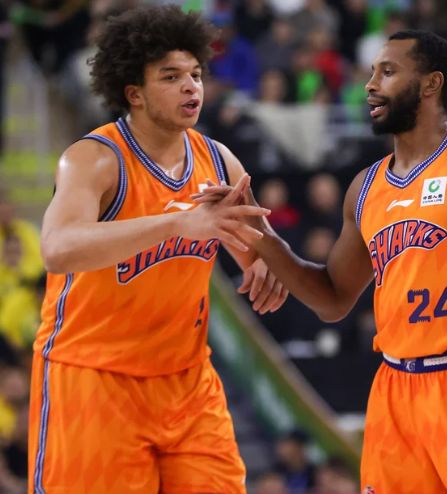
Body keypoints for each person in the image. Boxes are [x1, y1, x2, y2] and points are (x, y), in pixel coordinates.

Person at [199, 29, 447, 493]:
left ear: (431, 84)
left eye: (388, 72)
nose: (370, 84)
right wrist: (261, 234)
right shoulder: (365, 188)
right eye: (372, 72)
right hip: (394, 393)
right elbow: (332, 299)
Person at [29, 6, 288, 494]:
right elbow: (58, 248)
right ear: (135, 93)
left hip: (187, 381)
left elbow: (260, 250)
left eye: (196, 74)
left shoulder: (219, 161)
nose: (191, 87)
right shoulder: (94, 159)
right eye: (171, 77)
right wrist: (177, 223)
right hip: (94, 377)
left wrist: (267, 265)